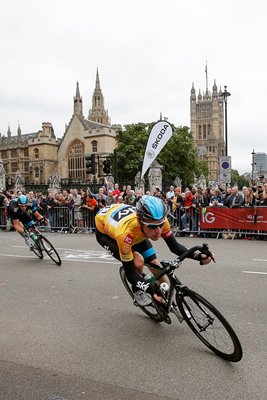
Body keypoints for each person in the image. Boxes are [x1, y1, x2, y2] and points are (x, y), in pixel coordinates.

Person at [95, 195, 213, 307]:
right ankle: (137, 291)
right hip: (107, 233)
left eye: (160, 225)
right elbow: (130, 275)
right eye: (152, 226)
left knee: (156, 266)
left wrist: (198, 256)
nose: (158, 231)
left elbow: (175, 247)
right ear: (141, 222)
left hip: (136, 230)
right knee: (138, 262)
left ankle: (165, 298)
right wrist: (148, 288)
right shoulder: (125, 233)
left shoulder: (160, 220)